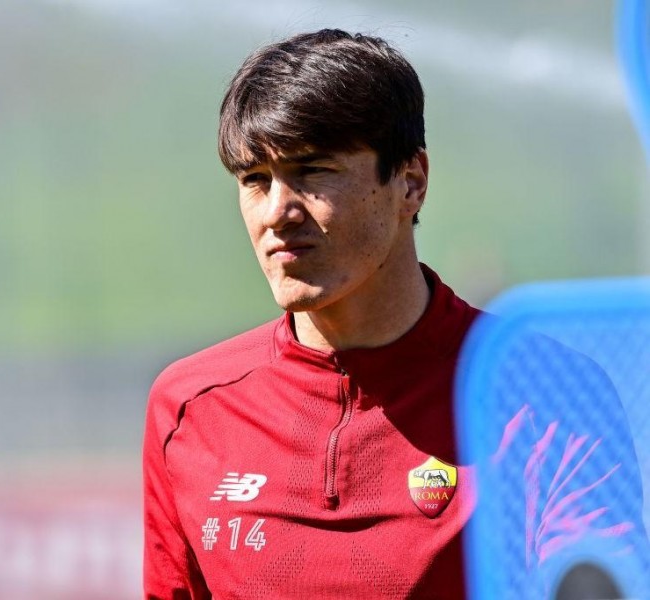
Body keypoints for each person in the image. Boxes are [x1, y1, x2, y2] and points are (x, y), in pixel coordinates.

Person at [142, 29, 645, 599]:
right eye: (255, 181)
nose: (278, 211)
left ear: (411, 182)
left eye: (313, 170)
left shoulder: (547, 392)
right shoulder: (190, 407)